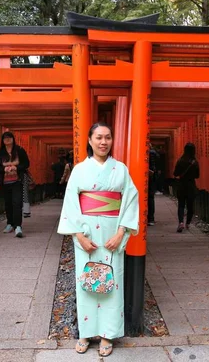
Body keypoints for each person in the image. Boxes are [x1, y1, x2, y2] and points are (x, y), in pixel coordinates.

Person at [57, 122, 139, 357]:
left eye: (108, 137)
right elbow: (71, 203)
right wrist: (79, 236)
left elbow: (130, 200)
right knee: (86, 281)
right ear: (90, 141)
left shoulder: (121, 169)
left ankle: (107, 334)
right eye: (99, 138)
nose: (104, 142)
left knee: (112, 283)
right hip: (87, 235)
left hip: (112, 233)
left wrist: (121, 232)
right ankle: (85, 332)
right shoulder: (80, 170)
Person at [0, 131, 30, 238]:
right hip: (5, 182)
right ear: (2, 141)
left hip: (17, 181)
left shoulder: (19, 150)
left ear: (13, 139)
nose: (7, 140)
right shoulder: (0, 153)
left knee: (17, 203)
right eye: (5, 138)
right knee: (8, 203)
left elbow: (26, 163)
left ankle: (18, 226)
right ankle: (9, 224)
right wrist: (4, 169)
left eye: (9, 138)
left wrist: (16, 168)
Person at [173, 143, 200, 233]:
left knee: (181, 205)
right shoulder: (194, 162)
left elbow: (175, 173)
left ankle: (181, 222)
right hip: (191, 186)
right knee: (190, 206)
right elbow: (197, 176)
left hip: (181, 185)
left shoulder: (180, 161)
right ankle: (188, 223)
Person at [147, 143, 159, 226]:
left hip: (144, 176)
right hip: (151, 178)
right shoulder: (154, 153)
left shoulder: (149, 153)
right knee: (150, 198)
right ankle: (151, 218)